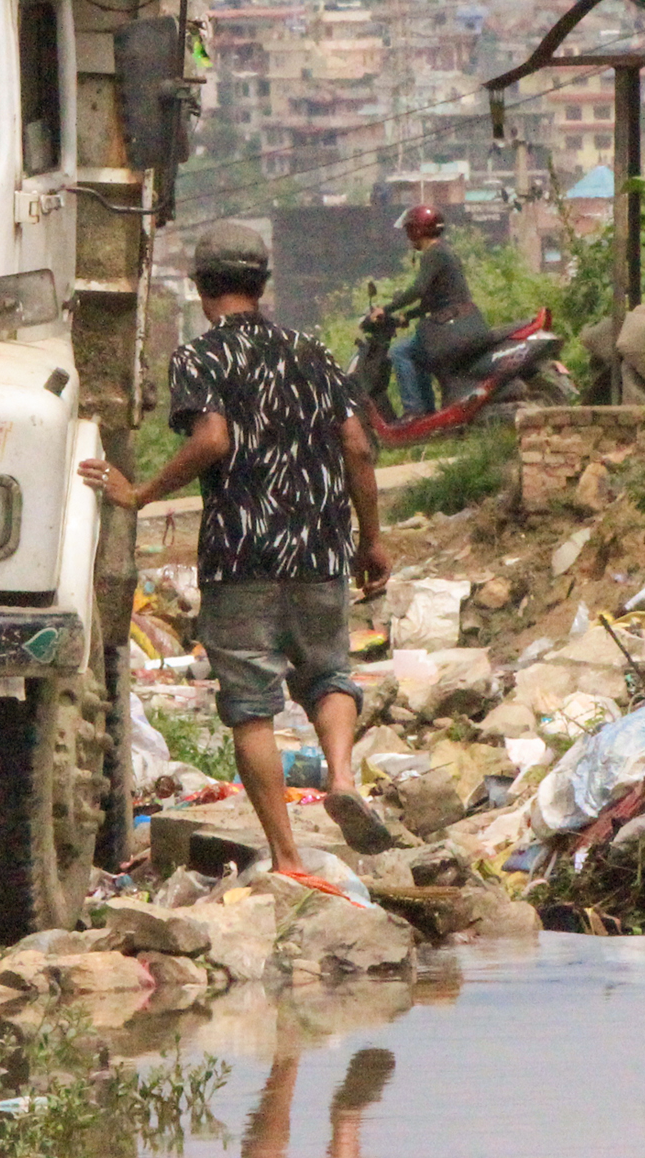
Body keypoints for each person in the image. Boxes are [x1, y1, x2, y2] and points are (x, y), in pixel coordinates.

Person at [77, 224, 392, 882]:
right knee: (329, 675)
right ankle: (339, 775)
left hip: (240, 554)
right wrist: (372, 540)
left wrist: (141, 493)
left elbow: (213, 439)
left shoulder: (201, 358)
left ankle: (286, 857)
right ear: (264, 285)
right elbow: (358, 448)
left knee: (252, 704)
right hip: (318, 548)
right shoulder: (314, 356)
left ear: (200, 288)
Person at [372, 205, 483, 421]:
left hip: (452, 327)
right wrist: (408, 316)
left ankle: (414, 412)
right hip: (459, 322)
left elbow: (418, 290)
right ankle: (429, 414)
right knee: (418, 354)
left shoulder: (433, 253)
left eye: (409, 229)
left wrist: (384, 309)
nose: (408, 236)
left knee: (399, 352)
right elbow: (433, 299)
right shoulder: (443, 252)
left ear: (418, 231)